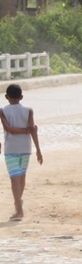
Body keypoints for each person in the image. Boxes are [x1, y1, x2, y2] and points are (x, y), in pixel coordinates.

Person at [0, 84, 43, 221]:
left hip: (11, 149)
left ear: (6, 97)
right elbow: (32, 130)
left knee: (14, 179)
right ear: (21, 97)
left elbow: (8, 129)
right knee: (21, 177)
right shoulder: (29, 110)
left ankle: (19, 209)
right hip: (25, 148)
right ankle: (18, 204)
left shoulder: (2, 111)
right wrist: (38, 150)